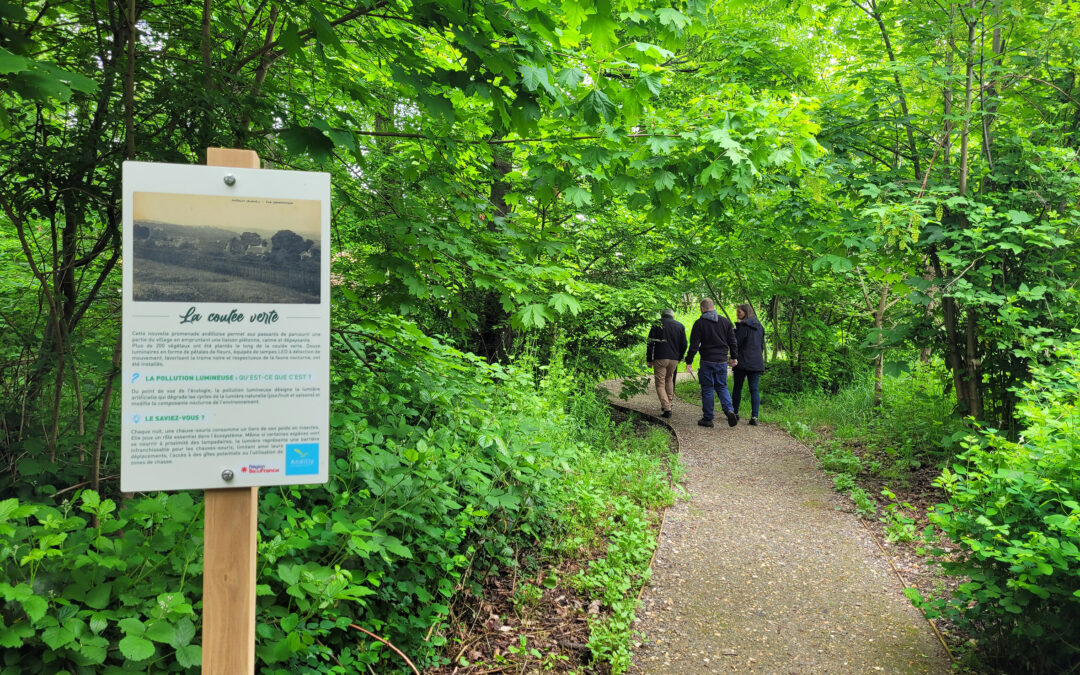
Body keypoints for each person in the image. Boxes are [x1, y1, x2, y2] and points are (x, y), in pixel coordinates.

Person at [684, 298, 738, 427]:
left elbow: (694, 345)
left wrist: (689, 361)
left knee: (707, 388)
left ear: (702, 308)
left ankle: (708, 418)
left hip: (707, 360)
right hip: (721, 361)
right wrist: (734, 357)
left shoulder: (699, 323)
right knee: (722, 386)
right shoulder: (725, 322)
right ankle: (729, 410)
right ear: (713, 307)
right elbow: (733, 341)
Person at [646, 308, 687, 418]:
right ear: (673, 316)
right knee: (669, 379)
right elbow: (684, 344)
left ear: (662, 315)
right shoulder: (679, 326)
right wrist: (680, 357)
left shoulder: (656, 324)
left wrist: (649, 359)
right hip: (673, 358)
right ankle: (668, 404)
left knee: (660, 384)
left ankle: (667, 408)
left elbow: (650, 343)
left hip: (660, 357)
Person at [732, 303, 765, 426]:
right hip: (756, 362)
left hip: (743, 362)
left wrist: (733, 357)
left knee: (738, 388)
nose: (737, 314)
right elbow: (761, 344)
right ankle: (754, 417)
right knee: (754, 389)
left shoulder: (743, 326)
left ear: (745, 312)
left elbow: (736, 343)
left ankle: (734, 413)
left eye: (739, 312)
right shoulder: (760, 327)